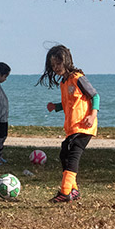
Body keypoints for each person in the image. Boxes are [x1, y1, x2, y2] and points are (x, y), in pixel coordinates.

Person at [39, 45, 99, 203]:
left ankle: (65, 192)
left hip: (84, 126)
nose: (56, 68)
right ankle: (74, 190)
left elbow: (95, 96)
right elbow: (69, 103)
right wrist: (56, 107)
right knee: (64, 154)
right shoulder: (64, 83)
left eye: (58, 63)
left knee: (73, 156)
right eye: (53, 65)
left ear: (66, 61)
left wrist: (93, 115)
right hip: (72, 128)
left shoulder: (78, 78)